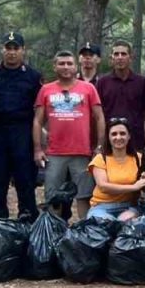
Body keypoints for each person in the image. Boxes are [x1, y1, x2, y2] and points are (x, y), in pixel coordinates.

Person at [34, 51, 104, 220]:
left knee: (84, 197)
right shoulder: (46, 90)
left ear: (75, 66)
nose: (66, 67)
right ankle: (53, 235)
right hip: (54, 153)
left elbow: (100, 117)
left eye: (69, 64)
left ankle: (85, 235)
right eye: (61, 63)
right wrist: (37, 149)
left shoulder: (88, 88)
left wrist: (100, 147)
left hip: (82, 153)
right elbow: (37, 121)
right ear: (54, 66)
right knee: (53, 198)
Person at [0, 31, 43, 220]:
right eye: (8, 48)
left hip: (22, 133)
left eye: (16, 48)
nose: (12, 52)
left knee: (25, 181)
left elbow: (40, 110)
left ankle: (28, 221)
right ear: (2, 49)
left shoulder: (33, 76)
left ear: (23, 50)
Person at [94, 39, 145, 150]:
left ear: (130, 58)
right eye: (116, 54)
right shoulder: (102, 82)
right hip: (110, 141)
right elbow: (97, 115)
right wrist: (99, 143)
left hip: (136, 141)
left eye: (123, 54)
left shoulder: (142, 82)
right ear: (111, 58)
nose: (120, 57)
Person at [87, 119, 145, 222]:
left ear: (129, 136)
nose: (118, 137)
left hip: (129, 206)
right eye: (114, 134)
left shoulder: (139, 158)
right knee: (104, 224)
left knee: (125, 222)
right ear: (108, 137)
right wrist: (133, 187)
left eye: (123, 133)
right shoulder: (100, 158)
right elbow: (103, 187)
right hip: (102, 206)